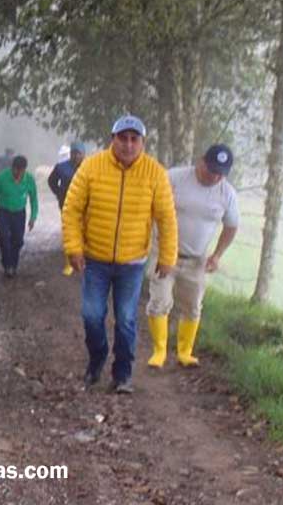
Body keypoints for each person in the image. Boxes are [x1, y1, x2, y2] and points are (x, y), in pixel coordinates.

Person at [62, 115, 177, 394]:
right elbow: (72, 209)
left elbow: (166, 218)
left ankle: (123, 374)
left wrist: (167, 257)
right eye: (122, 138)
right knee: (92, 315)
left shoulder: (155, 173)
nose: (128, 145)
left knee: (126, 319)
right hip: (95, 259)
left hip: (132, 262)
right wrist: (73, 248)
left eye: (134, 139)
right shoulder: (92, 166)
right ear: (112, 139)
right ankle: (97, 358)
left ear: (142, 143)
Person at [147, 144, 239, 369]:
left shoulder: (227, 194)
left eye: (220, 173)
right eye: (211, 170)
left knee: (193, 305)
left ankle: (185, 353)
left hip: (197, 260)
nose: (214, 177)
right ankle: (159, 351)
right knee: (160, 300)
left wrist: (217, 255)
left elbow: (231, 226)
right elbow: (150, 205)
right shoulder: (174, 177)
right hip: (164, 253)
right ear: (201, 161)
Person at [0, 155, 38, 277]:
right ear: (12, 168)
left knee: (18, 240)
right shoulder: (2, 177)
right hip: (3, 211)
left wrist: (33, 217)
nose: (18, 173)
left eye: (21, 171)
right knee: (4, 237)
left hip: (19, 213)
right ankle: (7, 265)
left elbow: (34, 199)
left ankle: (13, 264)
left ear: (25, 170)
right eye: (15, 170)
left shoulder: (29, 179)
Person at [48, 142, 85, 211]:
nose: (76, 156)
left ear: (84, 154)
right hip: (66, 203)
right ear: (70, 154)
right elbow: (51, 181)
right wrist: (59, 193)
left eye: (79, 153)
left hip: (84, 204)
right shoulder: (61, 167)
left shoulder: (89, 167)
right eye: (74, 153)